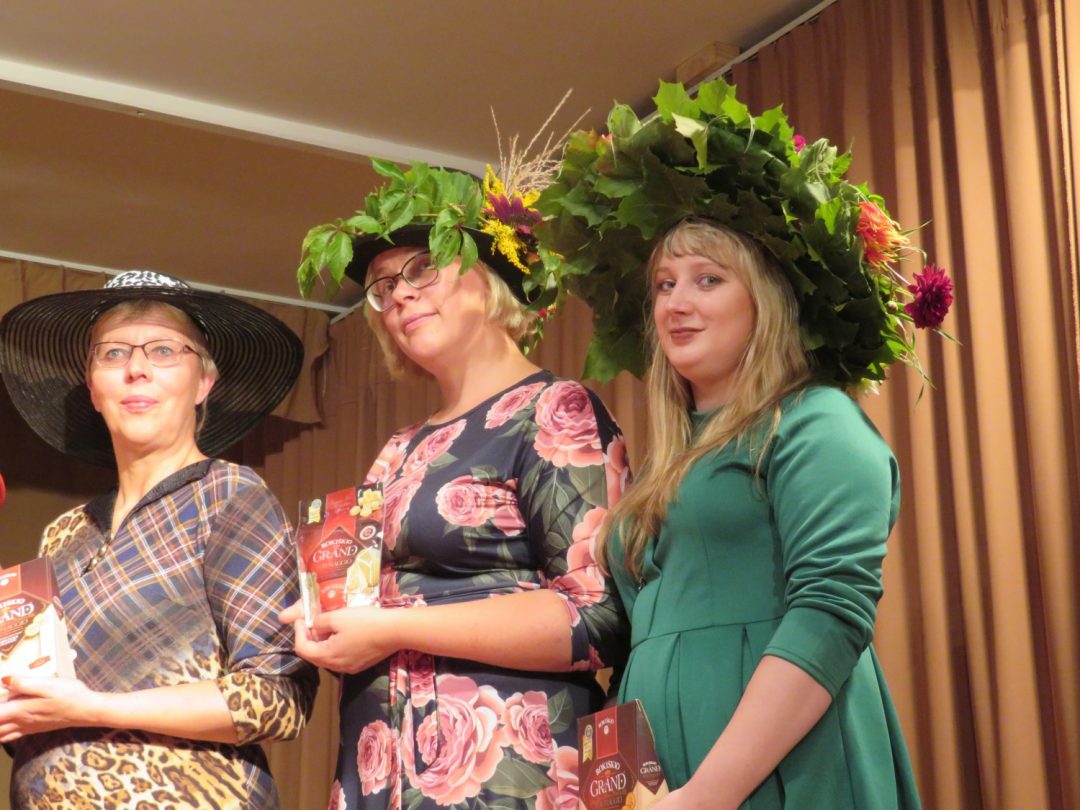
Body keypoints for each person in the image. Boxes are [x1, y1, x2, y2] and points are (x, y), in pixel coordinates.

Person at [538, 78, 954, 808]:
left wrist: (708, 794)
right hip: (658, 781)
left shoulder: (816, 422)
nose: (676, 302)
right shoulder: (663, 463)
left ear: (765, 301)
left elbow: (829, 615)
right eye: (664, 284)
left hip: (780, 771)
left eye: (708, 279)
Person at [285, 154, 630, 809]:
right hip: (379, 771)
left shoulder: (554, 410)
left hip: (504, 780)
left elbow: (597, 615)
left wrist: (393, 628)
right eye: (383, 286)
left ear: (490, 274)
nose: (399, 295)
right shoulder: (397, 449)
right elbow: (365, 603)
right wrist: (322, 619)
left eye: (423, 267)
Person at [0, 270, 319, 808]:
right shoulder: (64, 533)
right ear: (93, 388)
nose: (137, 369)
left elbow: (276, 697)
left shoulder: (228, 495)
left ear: (203, 383)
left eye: (164, 350)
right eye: (113, 353)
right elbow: (38, 707)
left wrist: (92, 708)